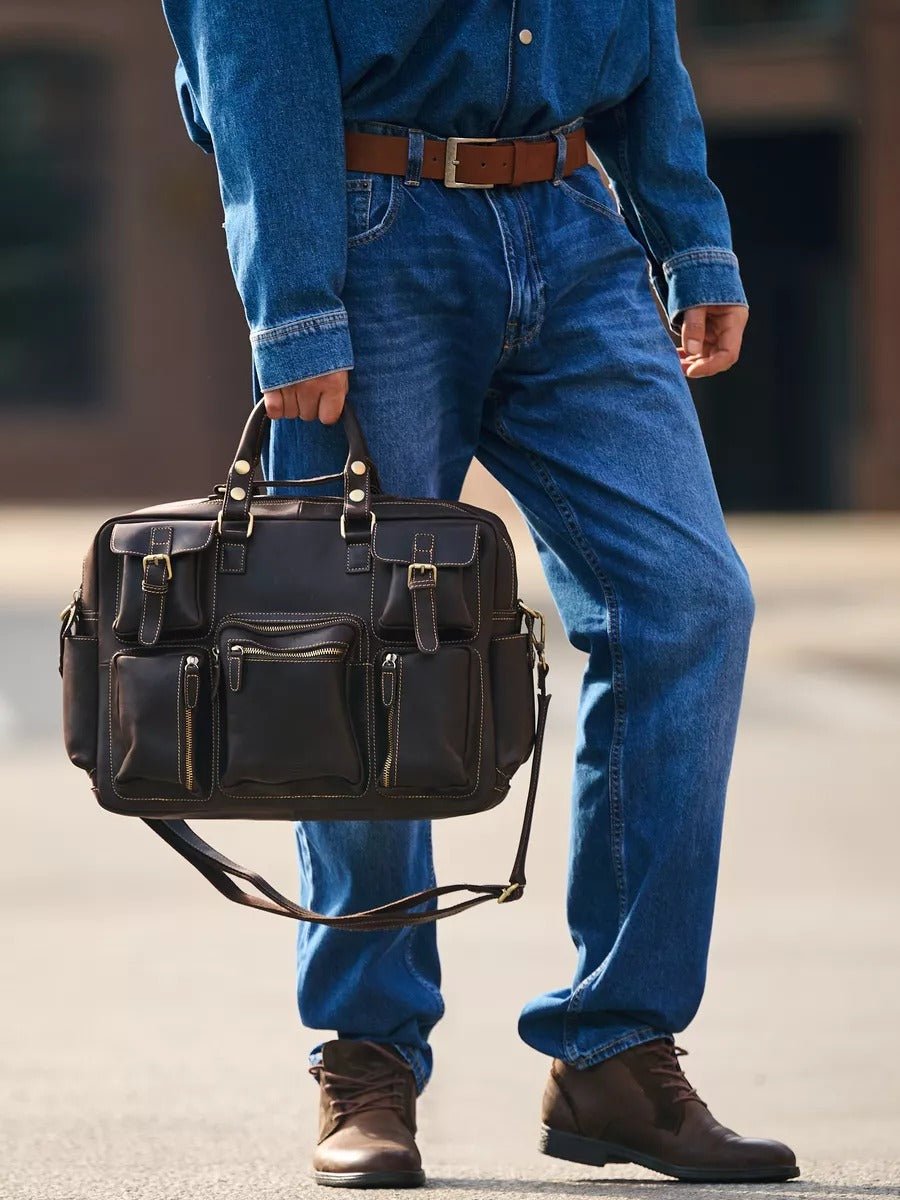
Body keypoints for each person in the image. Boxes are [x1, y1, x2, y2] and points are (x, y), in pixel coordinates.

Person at [160, 1, 799, 1188]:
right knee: (358, 646)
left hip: (575, 221)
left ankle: (617, 1048)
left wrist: (691, 235)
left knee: (690, 603)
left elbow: (641, 33)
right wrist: (295, 296)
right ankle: (367, 1055)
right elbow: (251, 45)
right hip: (368, 225)